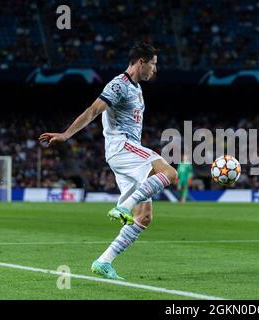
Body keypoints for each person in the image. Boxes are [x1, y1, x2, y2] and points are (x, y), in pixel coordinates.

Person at [39, 42, 178, 280]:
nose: (155, 70)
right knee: (171, 173)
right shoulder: (119, 85)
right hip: (122, 147)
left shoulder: (136, 88)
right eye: (153, 64)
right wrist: (65, 134)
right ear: (141, 62)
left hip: (126, 152)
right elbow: (93, 110)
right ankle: (122, 207)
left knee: (144, 217)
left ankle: (103, 262)